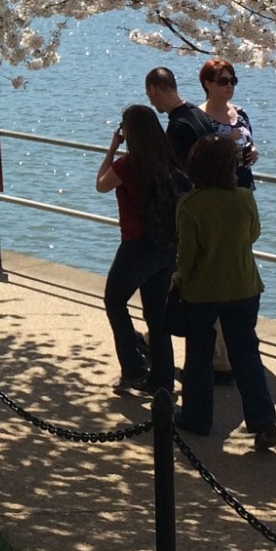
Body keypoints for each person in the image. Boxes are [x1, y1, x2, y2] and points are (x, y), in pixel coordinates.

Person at [173, 135, 276, 449]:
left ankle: (197, 418)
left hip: (202, 291)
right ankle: (264, 422)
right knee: (246, 355)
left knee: (199, 357)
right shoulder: (245, 198)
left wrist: (180, 279)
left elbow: (187, 255)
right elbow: (253, 234)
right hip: (244, 287)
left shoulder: (190, 204)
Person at [95, 104, 179, 395]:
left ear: (128, 133)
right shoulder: (168, 161)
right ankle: (163, 380)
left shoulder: (127, 165)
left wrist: (112, 148)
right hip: (166, 245)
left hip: (137, 245)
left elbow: (101, 185)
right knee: (156, 316)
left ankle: (133, 369)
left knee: (114, 301)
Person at [197, 56, 259, 190]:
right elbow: (198, 159)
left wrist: (253, 152)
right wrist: (226, 142)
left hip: (244, 188)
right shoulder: (199, 118)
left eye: (233, 81)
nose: (229, 85)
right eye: (223, 81)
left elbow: (249, 143)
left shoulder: (240, 113)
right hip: (216, 190)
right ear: (208, 84)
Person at [145, 67, 217, 169]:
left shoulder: (177, 127)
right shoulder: (200, 114)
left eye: (147, 94)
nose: (151, 102)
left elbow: (177, 171)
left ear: (152, 90)